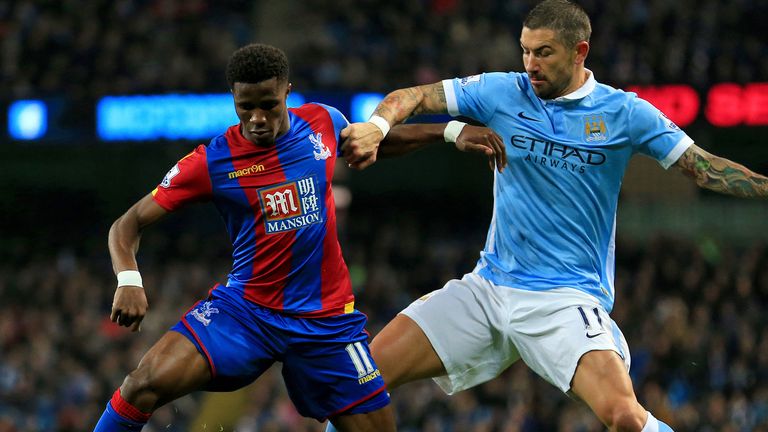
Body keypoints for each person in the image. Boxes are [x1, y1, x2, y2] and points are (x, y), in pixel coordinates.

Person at [332, 1, 768, 431]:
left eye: (543, 53)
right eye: (525, 50)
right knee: (358, 381)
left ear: (580, 52)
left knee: (626, 418)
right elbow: (414, 96)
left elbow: (705, 167)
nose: (530, 64)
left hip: (564, 300)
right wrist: (378, 126)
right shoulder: (502, 90)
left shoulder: (625, 113)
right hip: (488, 288)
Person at [92, 43, 505, 432]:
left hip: (327, 324)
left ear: (287, 92)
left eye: (268, 105)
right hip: (247, 313)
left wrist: (448, 132)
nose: (257, 118)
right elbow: (125, 225)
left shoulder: (321, 122)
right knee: (141, 383)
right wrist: (129, 278)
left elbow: (374, 142)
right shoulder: (212, 161)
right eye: (245, 107)